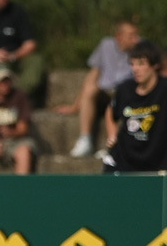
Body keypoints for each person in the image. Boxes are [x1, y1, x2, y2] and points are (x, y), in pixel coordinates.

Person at [55, 21, 139, 158]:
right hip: (106, 95)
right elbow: (92, 76)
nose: (136, 39)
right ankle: (85, 139)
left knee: (123, 97)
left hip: (126, 96)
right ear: (118, 36)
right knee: (90, 88)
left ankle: (115, 145)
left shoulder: (140, 49)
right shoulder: (106, 45)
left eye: (136, 35)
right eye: (131, 36)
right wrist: (75, 106)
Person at [103, 40, 167, 173]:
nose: (135, 69)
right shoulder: (125, 89)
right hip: (124, 159)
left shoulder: (164, 89)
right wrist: (112, 135)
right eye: (132, 64)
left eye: (141, 64)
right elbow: (111, 110)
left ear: (155, 65)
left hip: (157, 160)